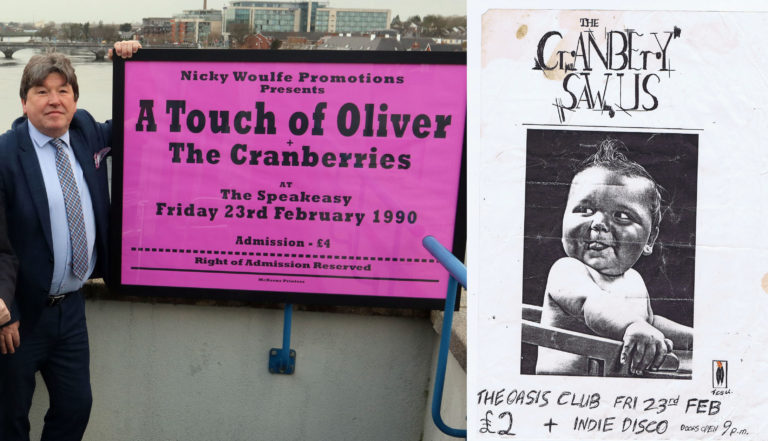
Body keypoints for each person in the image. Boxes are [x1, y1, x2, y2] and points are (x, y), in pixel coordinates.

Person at [0, 41, 140, 440]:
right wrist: (4, 307)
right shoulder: (5, 155)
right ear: (23, 102)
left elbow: (138, 121)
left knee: (77, 407)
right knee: (10, 417)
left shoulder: (86, 134)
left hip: (72, 311)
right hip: (19, 316)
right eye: (42, 91)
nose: (54, 100)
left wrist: (130, 63)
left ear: (75, 100)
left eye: (63, 91)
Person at [535, 138, 693, 377]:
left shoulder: (634, 280)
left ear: (650, 240)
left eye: (621, 215)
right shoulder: (567, 271)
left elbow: (650, 321)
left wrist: (693, 338)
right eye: (585, 210)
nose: (598, 224)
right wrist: (632, 326)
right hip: (567, 394)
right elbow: (592, 304)